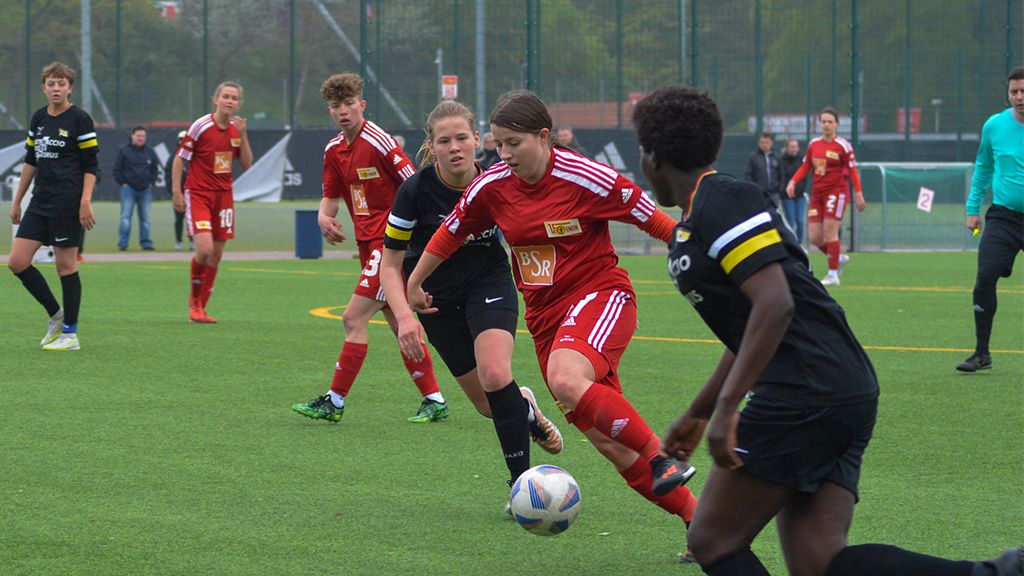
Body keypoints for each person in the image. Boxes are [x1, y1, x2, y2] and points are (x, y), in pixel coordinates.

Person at [634, 84, 1022, 576]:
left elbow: (776, 304)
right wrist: (698, 411)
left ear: (653, 155)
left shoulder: (722, 199)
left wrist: (727, 408)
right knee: (819, 562)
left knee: (712, 541)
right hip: (836, 385)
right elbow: (752, 323)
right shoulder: (703, 212)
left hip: (805, 390)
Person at [406, 90, 699, 553]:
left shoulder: (586, 177)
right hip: (547, 322)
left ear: (543, 137)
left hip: (600, 297)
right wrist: (415, 281)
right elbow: (451, 231)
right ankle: (701, 524)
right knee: (612, 445)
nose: (504, 154)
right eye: (498, 144)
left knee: (565, 378)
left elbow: (656, 221)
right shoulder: (491, 185)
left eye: (514, 143)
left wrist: (702, 260)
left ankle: (663, 456)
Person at [379, 100, 563, 494]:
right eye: (444, 141)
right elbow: (390, 265)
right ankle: (525, 408)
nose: (455, 147)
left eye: (462, 138)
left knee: (495, 374)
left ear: (478, 139)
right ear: (432, 145)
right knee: (486, 405)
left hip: (488, 283)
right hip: (434, 301)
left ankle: (522, 486)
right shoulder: (414, 192)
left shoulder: (499, 180)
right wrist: (405, 317)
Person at [291, 72, 447, 425]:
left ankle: (334, 401)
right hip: (367, 245)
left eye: (349, 104)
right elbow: (331, 196)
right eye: (336, 106)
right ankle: (434, 399)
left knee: (353, 318)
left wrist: (418, 239)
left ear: (361, 104)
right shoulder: (334, 150)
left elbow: (415, 185)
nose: (343, 111)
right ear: (330, 111)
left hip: (389, 245)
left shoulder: (379, 141)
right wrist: (323, 217)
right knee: (397, 324)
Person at [7, 61, 98, 351]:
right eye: (51, 83)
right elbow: (31, 160)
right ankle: (56, 315)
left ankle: (70, 335)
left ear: (70, 88)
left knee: (65, 266)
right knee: (17, 262)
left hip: (67, 203)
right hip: (40, 202)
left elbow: (91, 166)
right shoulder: (38, 118)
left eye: (61, 83)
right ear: (44, 88)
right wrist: (18, 200)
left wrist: (85, 201)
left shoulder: (80, 119)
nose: (56, 88)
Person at [957, 67, 1024, 373]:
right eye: (1014, 92)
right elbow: (983, 166)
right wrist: (972, 208)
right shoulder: (994, 126)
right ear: (1008, 94)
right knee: (985, 276)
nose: (1020, 97)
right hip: (1004, 218)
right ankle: (981, 353)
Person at [171, 81, 253, 323]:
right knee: (204, 250)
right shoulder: (201, 126)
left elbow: (246, 163)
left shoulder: (236, 130)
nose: (230, 101)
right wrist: (176, 192)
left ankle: (201, 309)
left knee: (216, 255)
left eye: (234, 98)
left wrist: (244, 135)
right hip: (199, 194)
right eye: (225, 96)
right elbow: (180, 158)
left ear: (239, 103)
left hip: (224, 197)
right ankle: (194, 300)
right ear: (215, 99)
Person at [785, 108, 866, 287]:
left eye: (830, 122)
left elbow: (853, 171)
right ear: (819, 124)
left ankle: (833, 275)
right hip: (817, 194)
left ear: (836, 124)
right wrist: (793, 181)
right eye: (823, 122)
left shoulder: (843, 146)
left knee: (830, 232)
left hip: (836, 193)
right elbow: (806, 166)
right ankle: (838, 258)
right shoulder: (814, 144)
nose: (826, 125)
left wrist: (859, 194)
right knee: (815, 237)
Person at [113, 125, 159, 251]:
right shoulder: (123, 151)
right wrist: (123, 183)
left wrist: (151, 182)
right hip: (128, 189)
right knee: (125, 218)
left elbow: (155, 169)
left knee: (145, 219)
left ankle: (146, 243)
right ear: (132, 136)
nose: (141, 138)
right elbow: (116, 169)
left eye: (143, 136)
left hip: (145, 190)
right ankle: (123, 244)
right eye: (138, 135)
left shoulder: (150, 152)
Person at [165, 130, 192, 251]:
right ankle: (179, 241)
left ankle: (192, 241)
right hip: (179, 193)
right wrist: (174, 192)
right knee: (179, 219)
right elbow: (168, 176)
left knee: (191, 219)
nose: (182, 141)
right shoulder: (174, 157)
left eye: (184, 139)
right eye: (181, 139)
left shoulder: (194, 155)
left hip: (192, 193)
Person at [779, 138, 807, 244]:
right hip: (787, 196)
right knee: (790, 221)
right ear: (787, 148)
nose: (794, 149)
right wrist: (783, 190)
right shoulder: (781, 160)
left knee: (800, 221)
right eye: (792, 147)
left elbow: (804, 177)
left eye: (796, 147)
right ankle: (791, 244)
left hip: (800, 196)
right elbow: (781, 177)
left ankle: (799, 244)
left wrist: (800, 189)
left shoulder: (802, 160)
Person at [744, 132, 781, 209]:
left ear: (771, 143)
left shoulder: (776, 157)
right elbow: (748, 175)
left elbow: (781, 175)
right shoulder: (753, 157)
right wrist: (754, 188)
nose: (764, 145)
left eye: (767, 142)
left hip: (774, 194)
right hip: (759, 194)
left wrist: (779, 189)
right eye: (762, 142)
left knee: (772, 214)